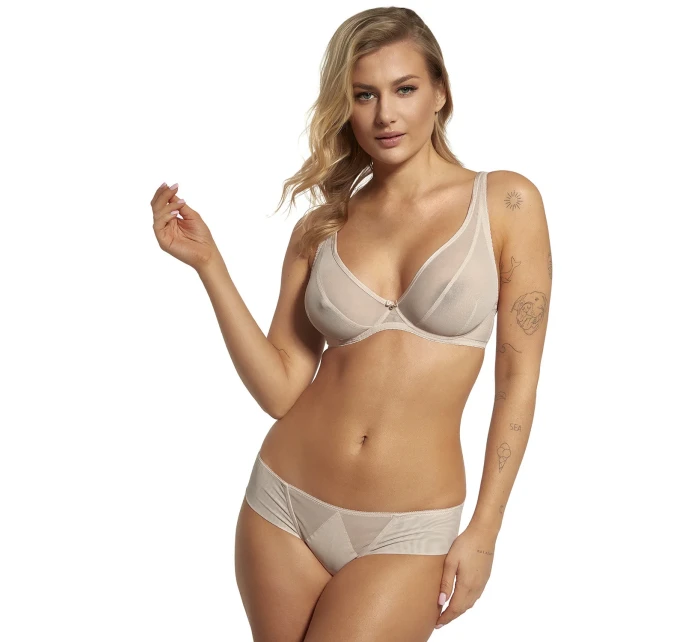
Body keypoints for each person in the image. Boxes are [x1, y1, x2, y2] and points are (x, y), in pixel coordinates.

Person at [151, 7, 551, 641]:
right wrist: (209, 266)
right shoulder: (323, 226)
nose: (385, 114)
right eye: (364, 95)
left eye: (405, 89)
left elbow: (518, 381)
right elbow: (281, 387)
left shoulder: (505, 203)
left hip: (408, 530)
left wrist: (485, 530)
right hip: (284, 504)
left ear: (440, 93)